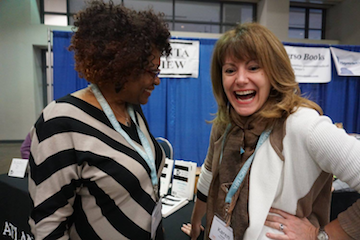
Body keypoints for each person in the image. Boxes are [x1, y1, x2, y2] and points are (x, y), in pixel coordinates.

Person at [181, 23, 360, 240]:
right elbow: (209, 173)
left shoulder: (302, 125)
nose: (240, 79)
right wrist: (197, 222)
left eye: (253, 67)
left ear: (274, 72)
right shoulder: (226, 123)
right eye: (230, 70)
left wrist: (322, 236)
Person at [28, 1, 171, 239]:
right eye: (151, 71)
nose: (156, 81)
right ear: (122, 66)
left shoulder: (132, 110)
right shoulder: (60, 122)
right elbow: (47, 225)